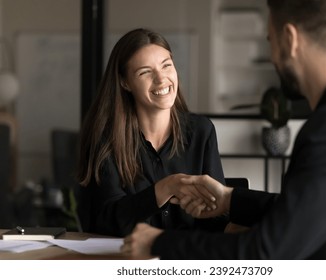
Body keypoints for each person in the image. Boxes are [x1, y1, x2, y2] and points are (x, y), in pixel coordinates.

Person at [121, 0, 326, 259]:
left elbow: (266, 251)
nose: (273, 56)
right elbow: (302, 212)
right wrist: (229, 199)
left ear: (290, 39)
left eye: (270, 40)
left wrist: (158, 243)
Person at [76, 28, 226, 237]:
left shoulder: (202, 132)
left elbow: (218, 218)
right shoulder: (105, 138)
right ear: (125, 82)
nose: (161, 79)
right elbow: (104, 221)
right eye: (145, 72)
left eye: (166, 66)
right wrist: (165, 188)